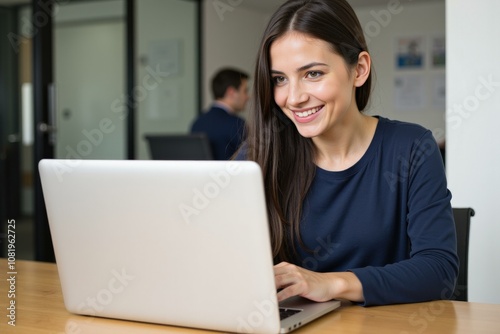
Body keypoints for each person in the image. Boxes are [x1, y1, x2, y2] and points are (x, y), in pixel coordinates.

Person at [237, 0, 458, 306]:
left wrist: (330, 284)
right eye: (280, 79)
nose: (294, 98)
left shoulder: (411, 147)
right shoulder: (259, 155)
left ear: (359, 70)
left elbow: (439, 271)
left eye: (313, 74)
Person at [191, 68, 250, 160]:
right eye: (245, 91)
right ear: (231, 92)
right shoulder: (237, 124)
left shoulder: (197, 123)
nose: (247, 97)